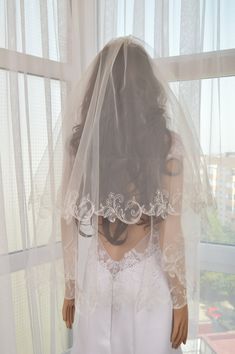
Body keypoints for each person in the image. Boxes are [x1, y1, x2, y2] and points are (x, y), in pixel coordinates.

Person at [60, 35, 215, 354]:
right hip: (147, 282)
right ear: (148, 89)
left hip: (97, 279)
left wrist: (71, 287)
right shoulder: (166, 144)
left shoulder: (84, 145)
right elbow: (171, 231)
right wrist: (180, 297)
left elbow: (67, 219)